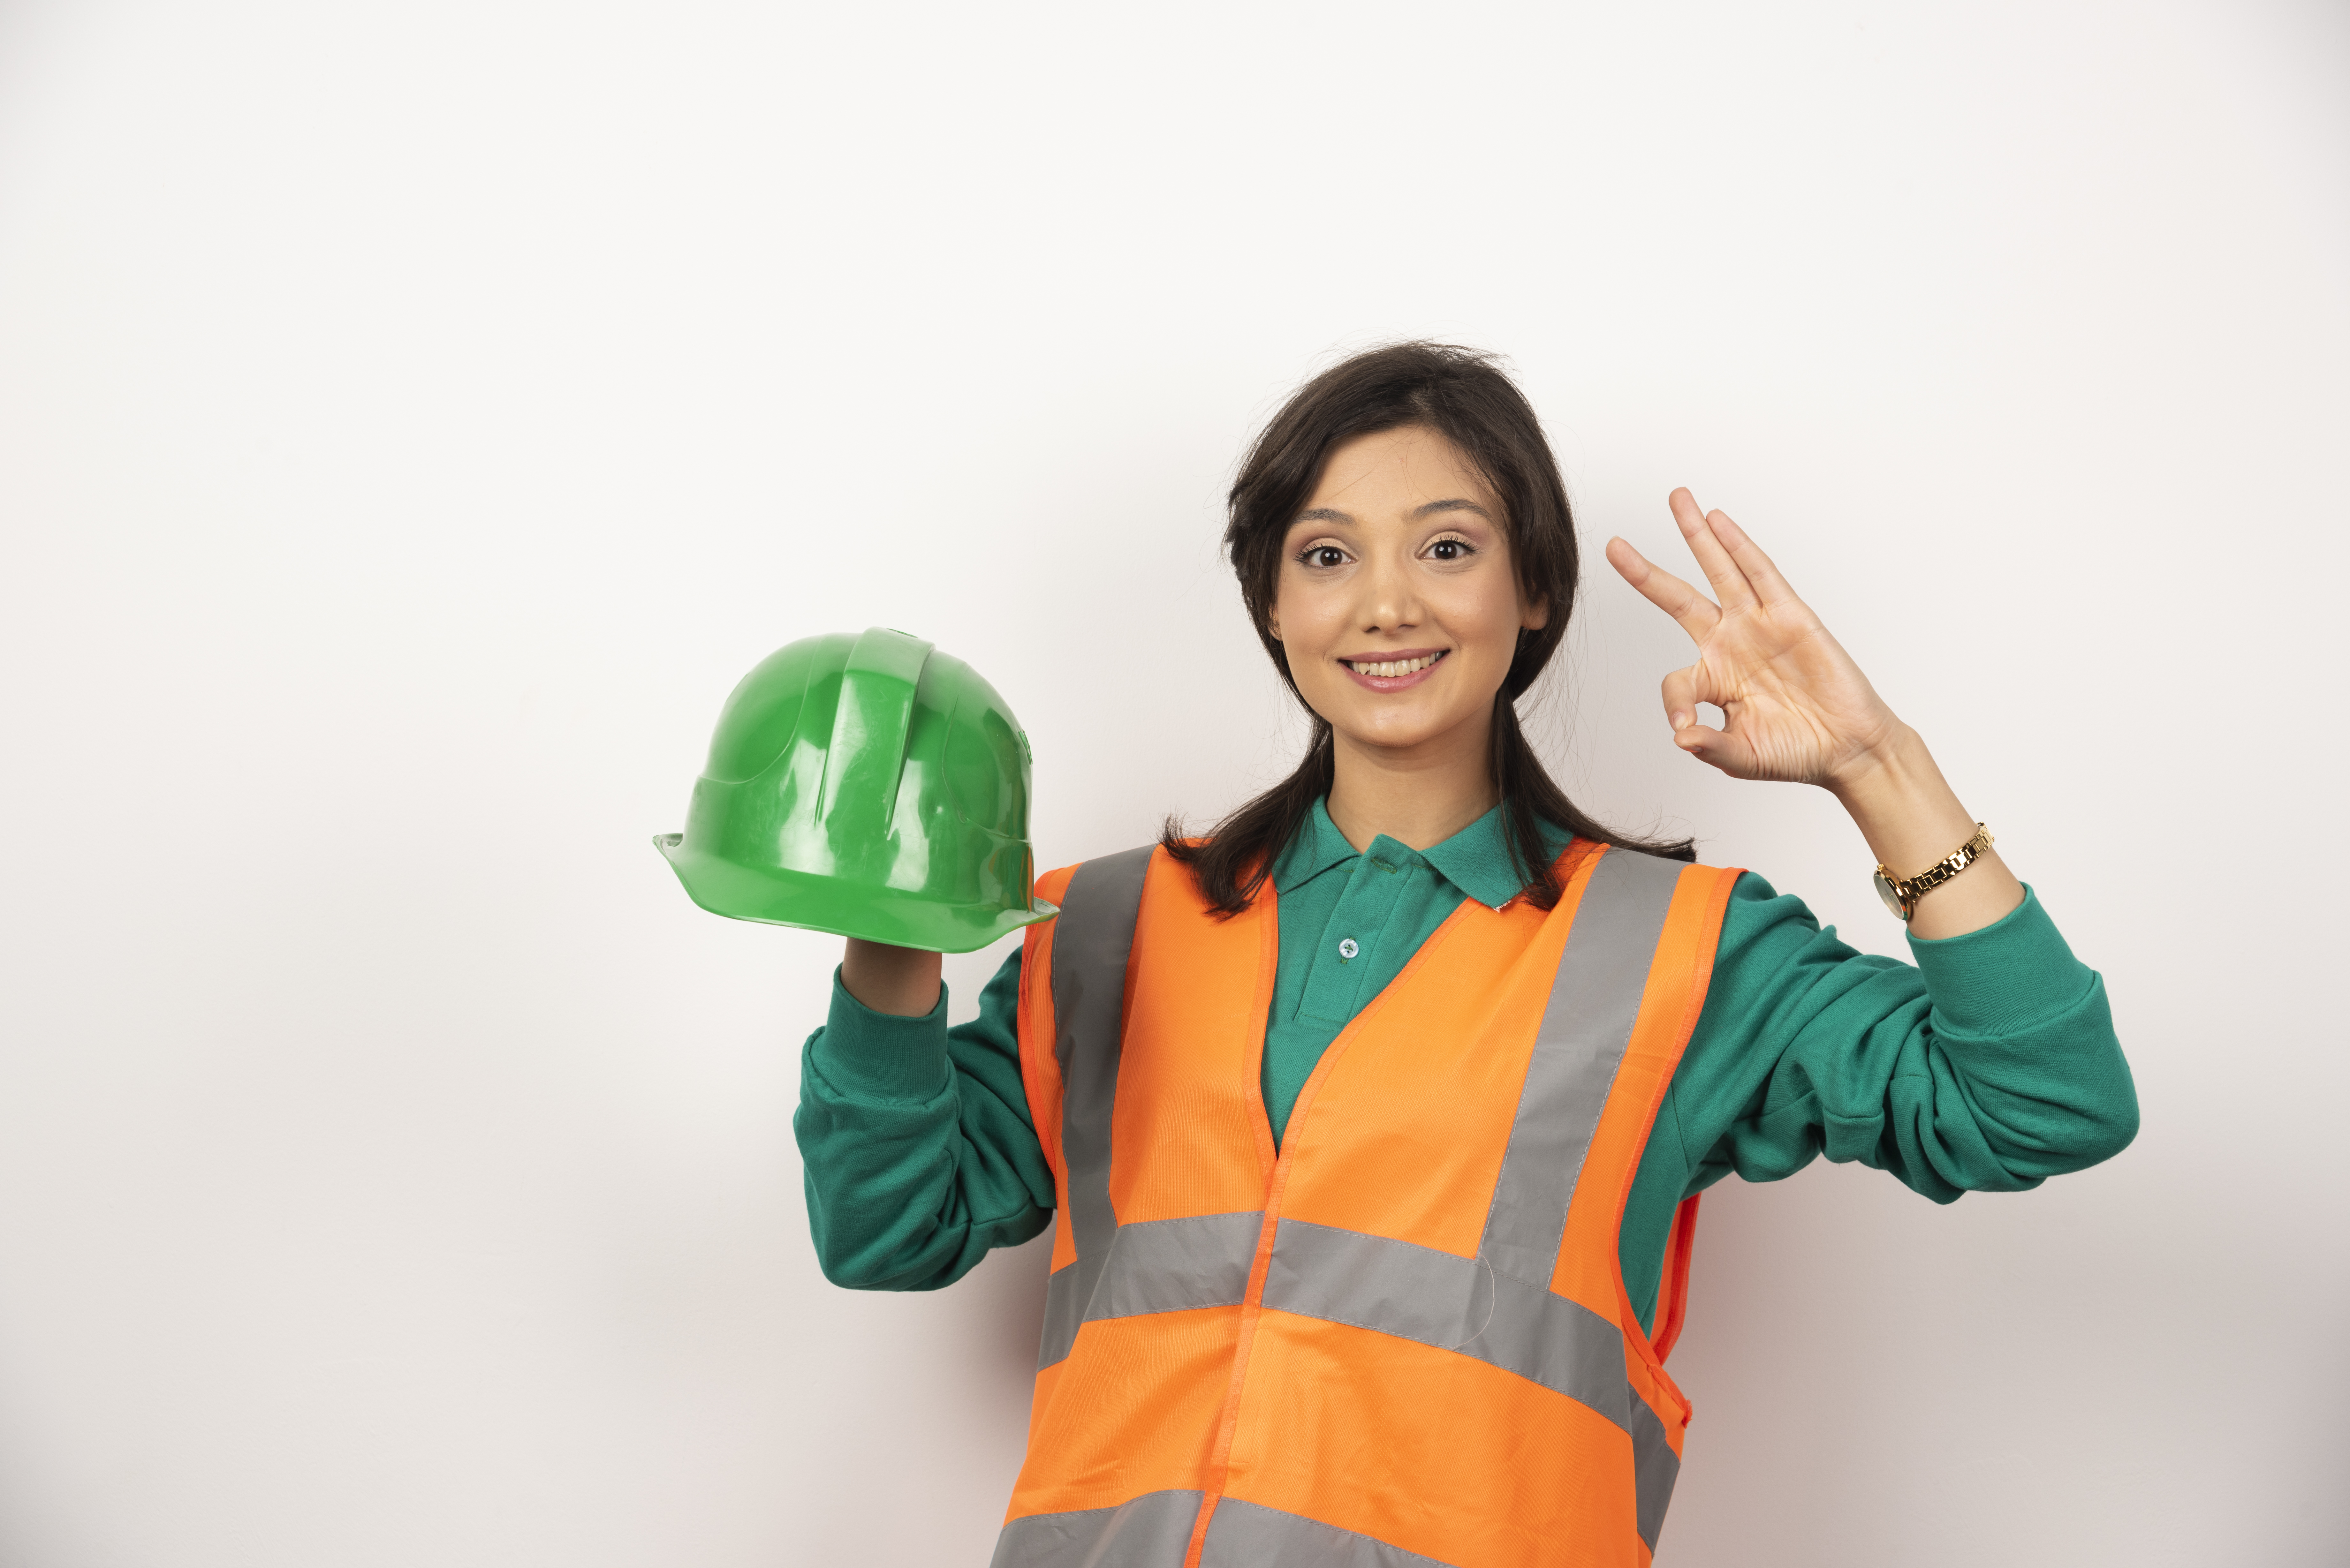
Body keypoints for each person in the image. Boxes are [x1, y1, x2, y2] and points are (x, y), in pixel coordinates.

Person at [792, 343, 2135, 1567]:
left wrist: (1874, 765)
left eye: (1445, 548)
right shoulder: (1102, 927)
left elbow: (2044, 1102)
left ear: (1530, 585)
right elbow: (887, 1230)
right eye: (1326, 556)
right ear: (1271, 601)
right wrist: (896, 931)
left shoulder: (1685, 954)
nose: (1384, 604)